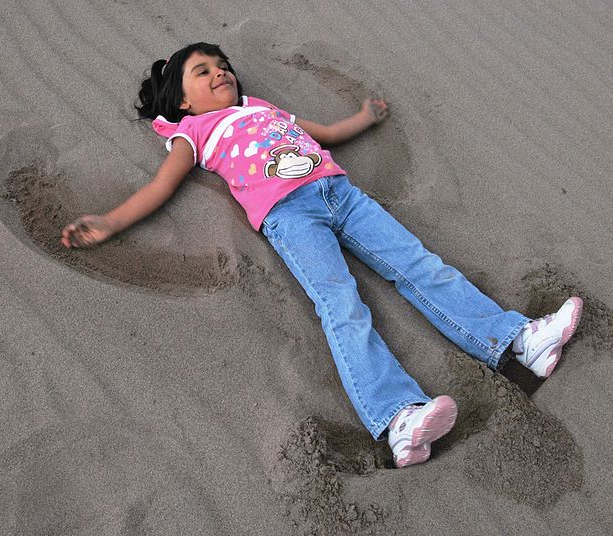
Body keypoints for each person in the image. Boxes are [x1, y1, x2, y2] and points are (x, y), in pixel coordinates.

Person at [61, 42, 583, 468]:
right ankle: (399, 418)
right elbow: (159, 189)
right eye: (203, 71)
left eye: (224, 66)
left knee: (421, 265)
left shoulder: (260, 108)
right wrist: (108, 222)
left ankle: (518, 340)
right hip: (289, 216)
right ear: (181, 102)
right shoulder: (193, 134)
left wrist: (364, 117)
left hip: (342, 194)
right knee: (343, 305)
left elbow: (326, 134)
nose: (221, 73)